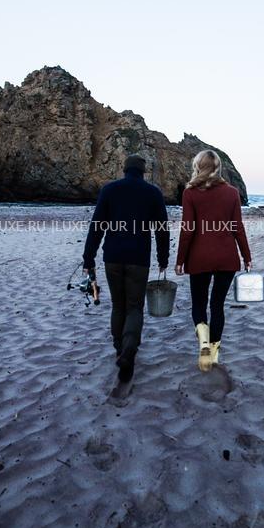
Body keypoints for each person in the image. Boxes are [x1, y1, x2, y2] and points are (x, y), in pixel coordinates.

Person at [83, 154, 169, 383]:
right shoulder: (153, 193)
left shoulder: (109, 190)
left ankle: (119, 348)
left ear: (124, 169)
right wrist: (163, 258)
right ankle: (129, 349)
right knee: (134, 307)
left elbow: (96, 226)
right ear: (143, 171)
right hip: (138, 259)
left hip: (112, 257)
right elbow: (162, 230)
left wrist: (88, 257)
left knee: (118, 305)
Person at [175, 150, 251, 372]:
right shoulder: (232, 193)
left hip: (199, 258)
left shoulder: (190, 193)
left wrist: (180, 260)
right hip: (227, 257)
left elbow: (187, 230)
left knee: (199, 304)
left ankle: (204, 343)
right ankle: (214, 353)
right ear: (218, 168)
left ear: (198, 166)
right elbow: (238, 228)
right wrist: (246, 256)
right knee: (217, 305)